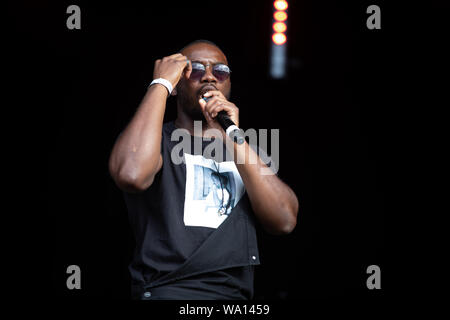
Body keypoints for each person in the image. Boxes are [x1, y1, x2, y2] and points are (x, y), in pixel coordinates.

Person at [108, 39, 299, 300]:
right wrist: (161, 84)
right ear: (177, 83)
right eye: (196, 69)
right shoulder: (157, 141)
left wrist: (233, 136)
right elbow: (131, 174)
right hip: (170, 289)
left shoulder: (245, 150)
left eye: (220, 71)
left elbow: (284, 220)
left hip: (233, 298)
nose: (210, 76)